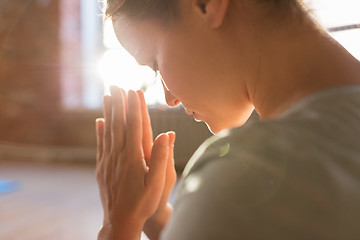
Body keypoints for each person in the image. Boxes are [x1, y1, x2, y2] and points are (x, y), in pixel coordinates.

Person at [95, 0, 360, 239]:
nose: (169, 98)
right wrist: (155, 217)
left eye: (155, 63)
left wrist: (119, 224)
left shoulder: (248, 177)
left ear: (206, 4)